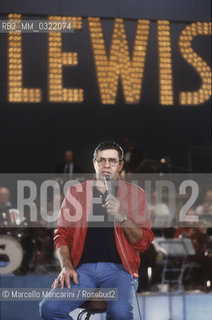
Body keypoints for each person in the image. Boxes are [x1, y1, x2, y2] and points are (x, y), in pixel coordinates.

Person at [40, 141, 154, 320]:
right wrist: (67, 266)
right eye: (101, 160)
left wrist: (122, 216)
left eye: (112, 161)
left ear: (120, 165)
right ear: (94, 163)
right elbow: (61, 235)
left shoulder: (135, 194)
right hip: (82, 270)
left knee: (121, 314)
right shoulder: (75, 193)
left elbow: (144, 242)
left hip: (120, 270)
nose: (106, 165)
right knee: (49, 308)